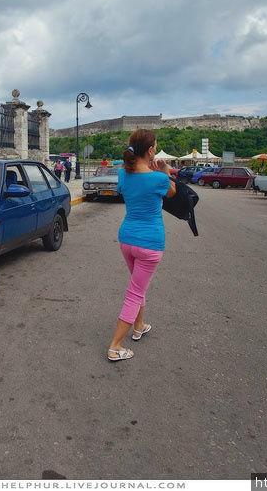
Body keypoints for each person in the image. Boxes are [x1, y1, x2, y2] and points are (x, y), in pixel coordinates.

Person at [107, 128, 177, 362]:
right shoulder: (159, 178)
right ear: (150, 150)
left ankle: (139, 326)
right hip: (150, 243)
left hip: (127, 239)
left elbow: (125, 187)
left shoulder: (122, 175)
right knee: (135, 292)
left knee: (139, 286)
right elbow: (172, 193)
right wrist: (165, 171)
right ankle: (115, 346)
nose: (156, 149)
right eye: (154, 146)